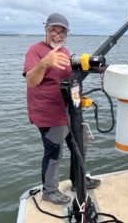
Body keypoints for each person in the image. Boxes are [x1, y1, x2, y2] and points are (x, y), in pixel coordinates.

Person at [23, 13, 100, 205]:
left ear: (67, 34)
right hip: (48, 114)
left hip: (69, 110)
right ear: (46, 29)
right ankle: (49, 191)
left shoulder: (65, 51)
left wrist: (91, 69)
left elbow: (68, 77)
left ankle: (78, 181)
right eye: (53, 31)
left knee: (80, 146)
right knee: (54, 153)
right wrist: (44, 63)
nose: (57, 36)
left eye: (62, 32)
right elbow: (31, 81)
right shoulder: (35, 51)